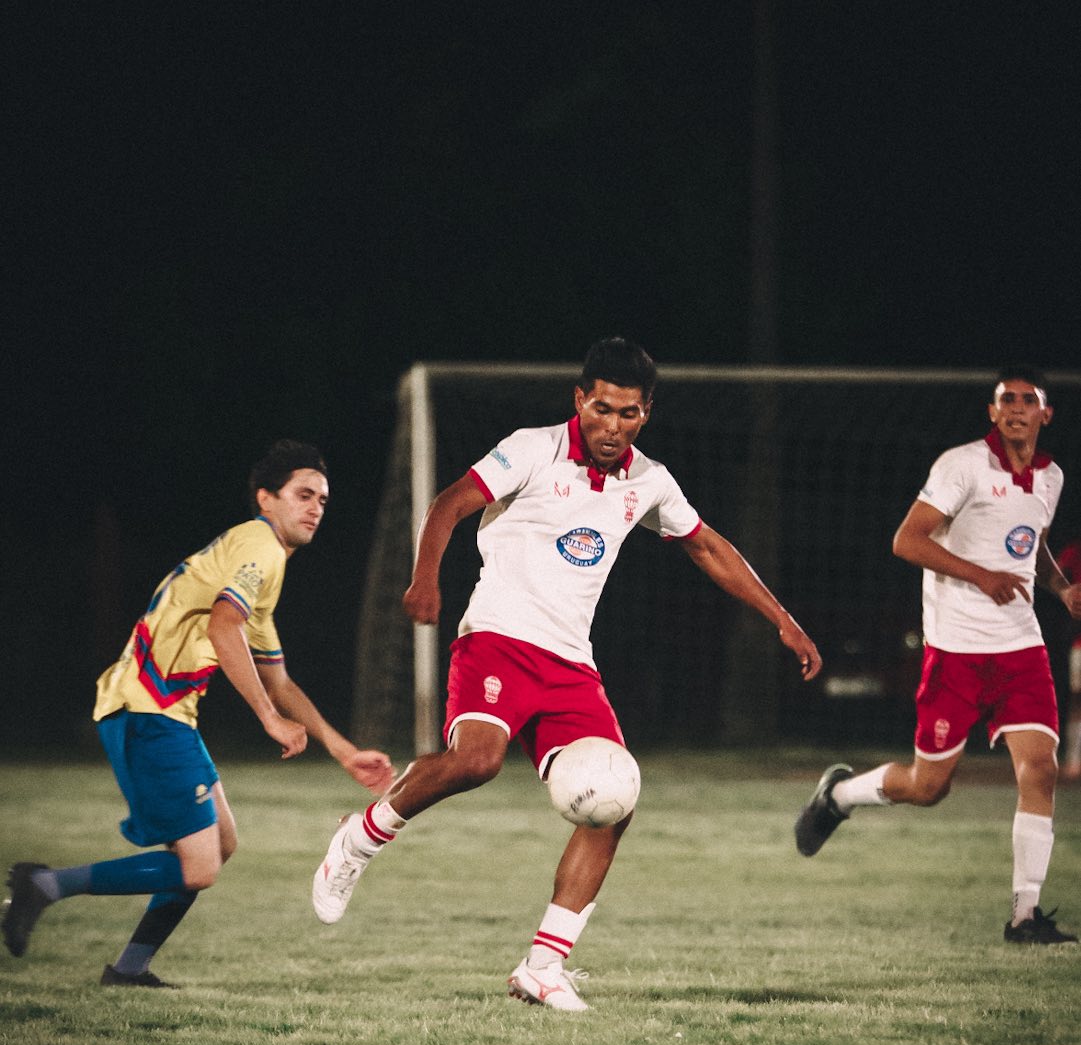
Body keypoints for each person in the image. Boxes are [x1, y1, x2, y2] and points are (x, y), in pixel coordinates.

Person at [312, 337, 822, 1010]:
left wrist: (780, 618)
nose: (612, 426)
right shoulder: (533, 447)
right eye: (602, 409)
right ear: (580, 400)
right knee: (477, 762)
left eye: (629, 414)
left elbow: (705, 546)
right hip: (496, 638)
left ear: (646, 414)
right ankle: (363, 835)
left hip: (569, 665)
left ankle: (543, 966)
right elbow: (450, 502)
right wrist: (424, 579)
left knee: (615, 800)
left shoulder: (649, 481)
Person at [2, 441, 394, 985]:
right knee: (200, 866)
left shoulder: (255, 561)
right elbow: (222, 627)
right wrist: (267, 719)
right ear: (267, 499)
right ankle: (43, 887)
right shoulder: (259, 546)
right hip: (146, 710)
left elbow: (277, 677)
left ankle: (129, 969)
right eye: (303, 495)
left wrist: (342, 750)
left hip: (164, 715)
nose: (315, 508)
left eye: (323, 501)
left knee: (221, 845)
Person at [795, 367, 1081, 944]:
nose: (1019, 409)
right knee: (930, 788)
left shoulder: (1051, 476)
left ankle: (1025, 916)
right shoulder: (962, 465)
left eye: (1030, 401)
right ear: (992, 413)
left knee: (1042, 770)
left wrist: (1060, 588)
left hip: (1020, 648)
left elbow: (1034, 545)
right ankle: (841, 793)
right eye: (1008, 401)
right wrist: (981, 576)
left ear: (1046, 415)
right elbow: (908, 539)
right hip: (956, 651)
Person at [1056, 535, 1081, 781]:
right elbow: (1054, 573)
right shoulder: (1075, 550)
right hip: (1080, 640)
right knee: (1077, 701)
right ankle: (1074, 760)